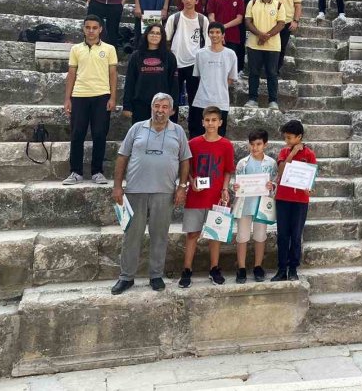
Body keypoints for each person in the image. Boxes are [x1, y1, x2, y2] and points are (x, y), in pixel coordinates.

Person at [110, 92, 191, 295]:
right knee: (131, 235)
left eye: (164, 107)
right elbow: (122, 157)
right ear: (151, 107)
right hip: (136, 190)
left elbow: (185, 160)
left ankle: (156, 275)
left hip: (164, 192)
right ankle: (126, 277)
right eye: (157, 106)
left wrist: (182, 187)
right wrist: (118, 186)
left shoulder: (178, 131)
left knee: (160, 235)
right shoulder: (137, 128)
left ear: (171, 110)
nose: (160, 110)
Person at [179, 106, 235, 288]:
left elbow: (228, 171)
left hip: (216, 198)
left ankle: (214, 268)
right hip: (196, 197)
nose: (210, 123)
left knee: (214, 235)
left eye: (214, 120)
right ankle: (186, 269)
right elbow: (186, 168)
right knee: (192, 234)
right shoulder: (193, 143)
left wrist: (225, 189)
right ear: (202, 122)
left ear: (220, 122)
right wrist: (190, 180)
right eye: (207, 120)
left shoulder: (226, 145)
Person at [62, 15, 118, 185]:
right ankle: (76, 172)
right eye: (88, 27)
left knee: (100, 134)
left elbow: (113, 74)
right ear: (83, 29)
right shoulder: (76, 49)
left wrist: (113, 97)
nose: (91, 31)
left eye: (95, 27)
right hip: (79, 96)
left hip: (102, 95)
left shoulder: (109, 49)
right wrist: (67, 99)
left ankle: (97, 172)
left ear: (100, 29)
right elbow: (71, 74)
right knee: (77, 134)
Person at [272, 119, 316, 282]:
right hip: (283, 198)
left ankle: (293, 268)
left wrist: (309, 186)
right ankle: (281, 268)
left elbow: (311, 176)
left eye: (290, 138)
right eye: (286, 138)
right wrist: (292, 152)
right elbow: (282, 171)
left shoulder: (309, 154)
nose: (287, 141)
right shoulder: (284, 152)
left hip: (300, 200)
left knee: (296, 235)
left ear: (299, 137)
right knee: (282, 234)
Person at [232, 129, 277, 284]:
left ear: (265, 144)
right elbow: (237, 182)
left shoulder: (271, 163)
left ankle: (258, 266)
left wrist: (272, 185)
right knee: (242, 236)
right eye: (252, 144)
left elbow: (275, 181)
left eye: (258, 144)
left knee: (260, 236)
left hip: (262, 206)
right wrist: (236, 187)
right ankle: (242, 267)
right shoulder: (242, 163)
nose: (255, 148)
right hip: (245, 205)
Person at [166, 0, 210, 116]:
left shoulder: (203, 20)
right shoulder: (174, 18)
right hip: (175, 63)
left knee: (195, 101)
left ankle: (195, 132)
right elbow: (166, 40)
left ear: (197, 1)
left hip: (195, 64)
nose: (188, 1)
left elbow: (207, 43)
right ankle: (171, 129)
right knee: (172, 100)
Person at [244, 0, 287, 110]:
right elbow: (247, 21)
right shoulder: (252, 3)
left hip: (273, 46)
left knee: (272, 73)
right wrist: (259, 34)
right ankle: (252, 99)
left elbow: (281, 24)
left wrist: (266, 36)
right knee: (254, 72)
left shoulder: (279, 5)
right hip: (253, 44)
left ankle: (273, 101)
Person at [122, 24, 178, 124]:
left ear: (162, 36)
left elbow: (174, 83)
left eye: (158, 33)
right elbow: (130, 81)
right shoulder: (136, 56)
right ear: (146, 35)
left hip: (162, 106)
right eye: (152, 32)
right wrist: (127, 106)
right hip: (140, 104)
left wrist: (173, 106)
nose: (154, 35)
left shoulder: (169, 56)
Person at [189, 22, 237, 137]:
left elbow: (231, 78)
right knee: (198, 136)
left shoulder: (230, 54)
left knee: (218, 137)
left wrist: (219, 88)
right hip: (201, 101)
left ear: (223, 35)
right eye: (211, 32)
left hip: (221, 102)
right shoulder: (200, 54)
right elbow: (199, 75)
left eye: (217, 32)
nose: (214, 35)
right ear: (208, 34)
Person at [208, 0, 247, 72]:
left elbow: (239, 19)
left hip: (232, 37)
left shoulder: (239, 1)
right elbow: (211, 16)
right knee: (214, 66)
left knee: (228, 67)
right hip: (215, 37)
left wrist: (222, 28)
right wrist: (218, 32)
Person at [273, 0, 302, 70]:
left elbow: (298, 5)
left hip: (286, 22)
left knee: (281, 48)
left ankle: (276, 71)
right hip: (271, 21)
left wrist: (295, 21)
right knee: (270, 47)